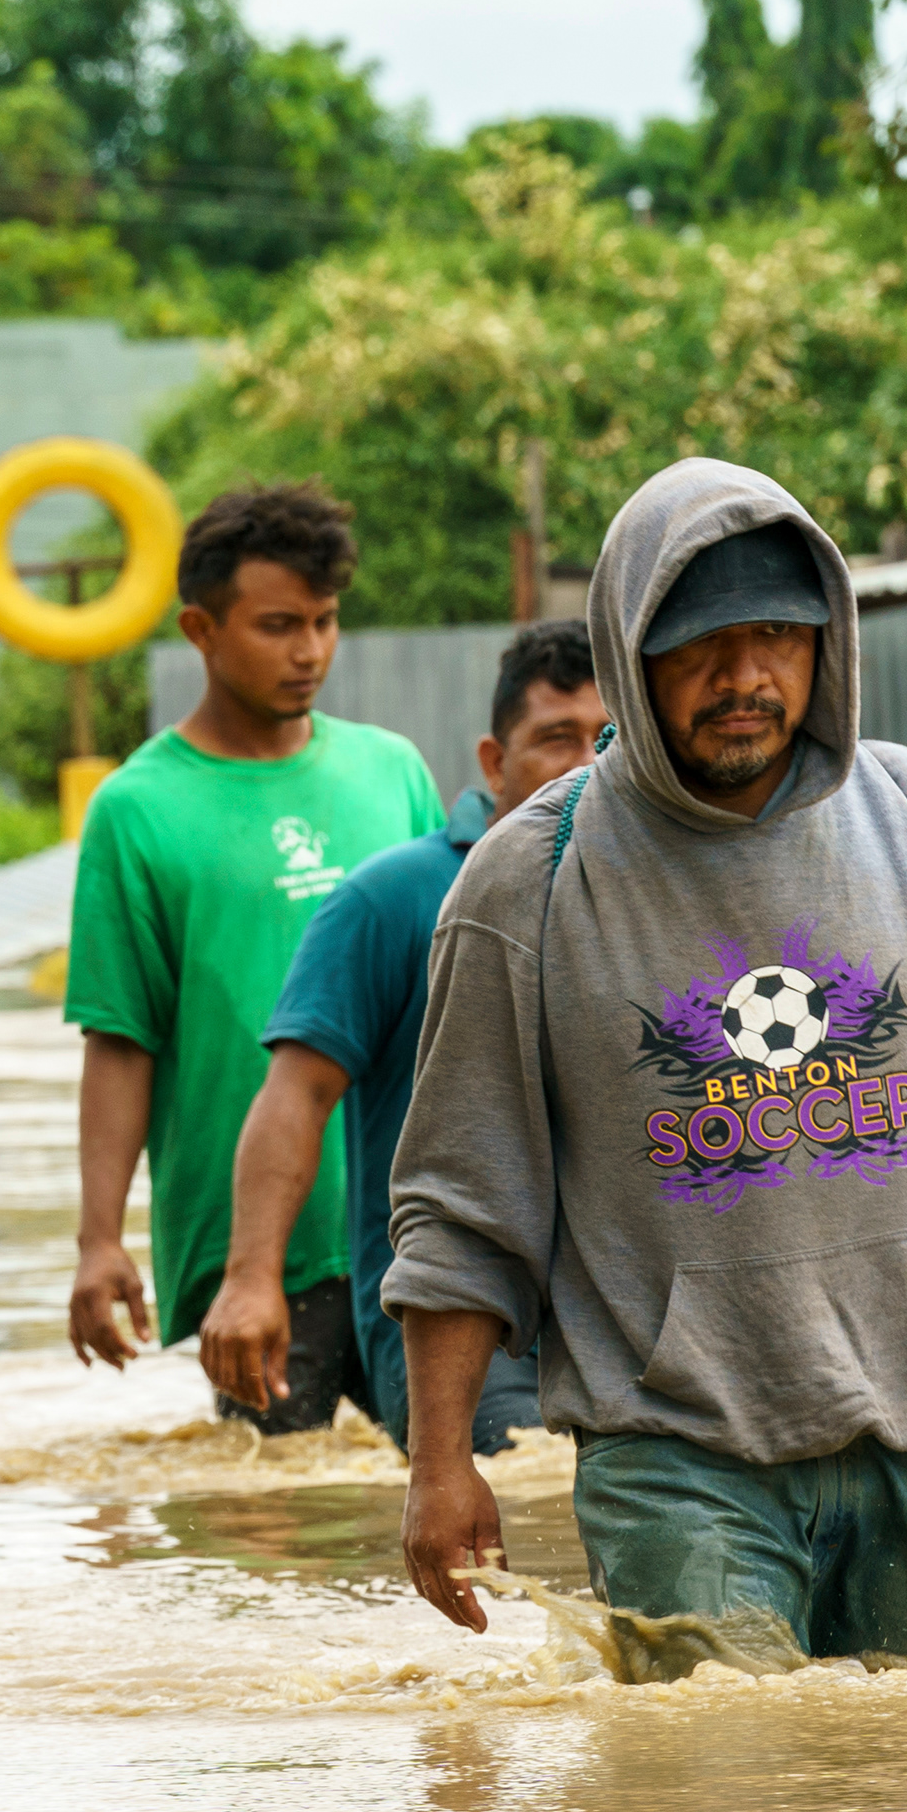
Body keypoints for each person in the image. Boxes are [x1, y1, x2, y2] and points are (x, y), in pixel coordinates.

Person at [384, 459, 907, 1660]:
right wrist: (439, 1466)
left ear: (828, 643)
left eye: (777, 636)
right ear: (631, 655)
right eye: (702, 645)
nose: (746, 676)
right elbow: (461, 1207)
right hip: (677, 1459)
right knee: (717, 1803)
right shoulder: (528, 883)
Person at [62, 481, 443, 1431]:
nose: (309, 650)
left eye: (324, 621)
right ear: (201, 627)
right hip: (257, 1257)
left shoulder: (391, 770)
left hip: (414, 1233)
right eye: (278, 625)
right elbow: (121, 1038)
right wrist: (99, 1241)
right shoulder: (136, 808)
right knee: (273, 1530)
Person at [199, 622, 609, 1452]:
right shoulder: (391, 899)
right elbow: (296, 1098)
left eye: (606, 741)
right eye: (553, 740)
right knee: (526, 1493)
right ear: (494, 763)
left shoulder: (666, 898)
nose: (584, 767)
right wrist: (249, 1281)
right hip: (455, 1322)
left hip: (617, 1317)